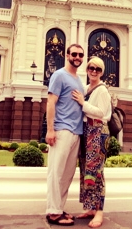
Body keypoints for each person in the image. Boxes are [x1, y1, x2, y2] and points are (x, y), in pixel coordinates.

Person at [45, 44, 85, 226]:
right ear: (67, 55)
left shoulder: (78, 79)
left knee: (67, 174)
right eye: (74, 54)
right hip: (62, 130)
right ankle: (53, 212)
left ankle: (58, 208)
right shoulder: (59, 75)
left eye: (80, 55)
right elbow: (51, 102)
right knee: (56, 172)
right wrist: (50, 130)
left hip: (76, 132)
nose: (77, 57)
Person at [72, 56, 112, 228]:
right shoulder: (86, 88)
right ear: (87, 70)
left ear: (102, 72)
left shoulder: (102, 90)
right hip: (86, 131)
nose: (94, 71)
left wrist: (83, 103)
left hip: (98, 131)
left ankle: (100, 211)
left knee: (97, 172)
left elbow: (102, 113)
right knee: (86, 171)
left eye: (98, 69)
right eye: (91, 68)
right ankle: (90, 208)